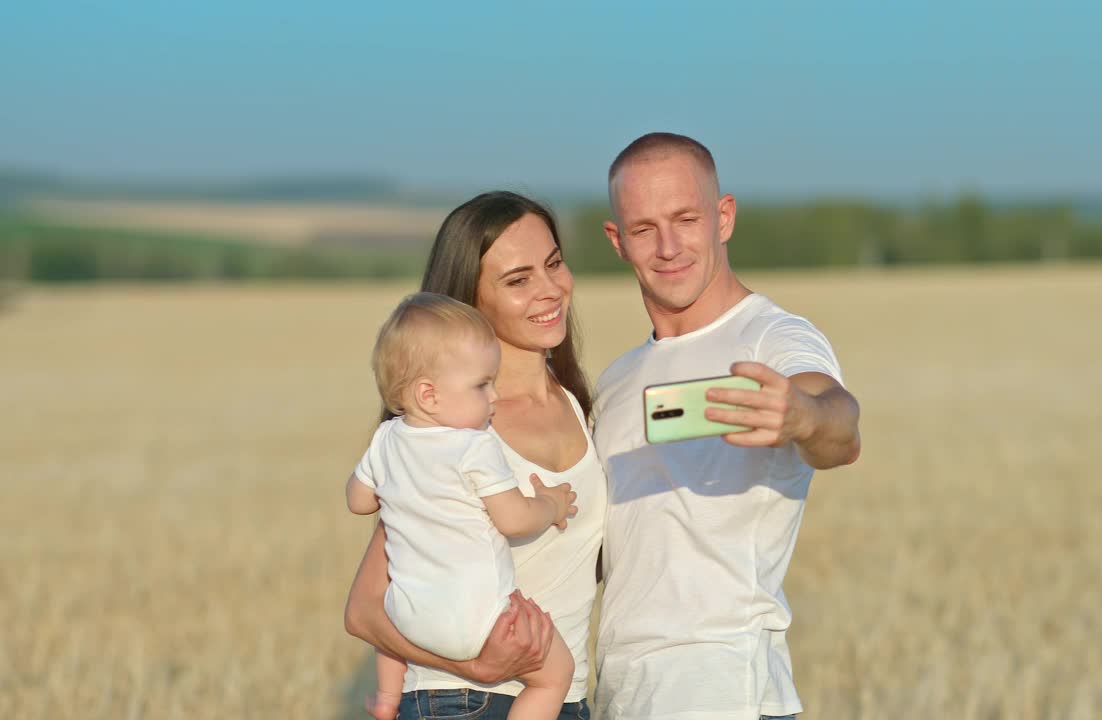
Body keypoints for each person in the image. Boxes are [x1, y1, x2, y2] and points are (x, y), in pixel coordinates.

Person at [592, 132, 862, 720]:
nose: (668, 247)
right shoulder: (614, 384)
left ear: (724, 217)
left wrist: (803, 415)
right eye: (644, 228)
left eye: (686, 218)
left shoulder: (773, 337)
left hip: (724, 686)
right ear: (617, 241)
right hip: (623, 692)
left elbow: (841, 424)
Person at [344, 192, 605, 720]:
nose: (550, 288)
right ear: (470, 301)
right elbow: (364, 610)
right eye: (518, 279)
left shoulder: (578, 406)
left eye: (553, 263)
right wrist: (476, 669)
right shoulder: (452, 430)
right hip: (463, 701)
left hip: (566, 700)